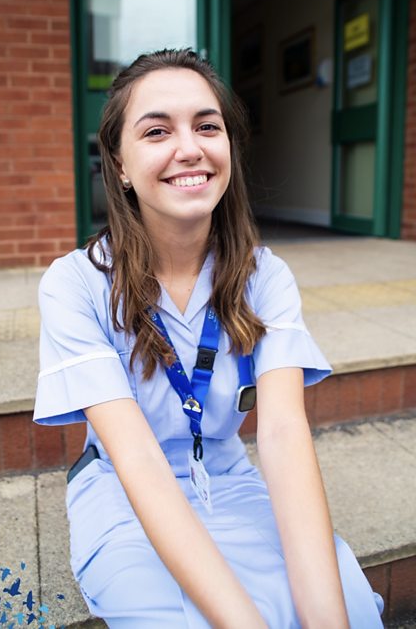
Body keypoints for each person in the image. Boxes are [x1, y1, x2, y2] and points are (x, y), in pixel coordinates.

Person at [34, 49, 383, 628]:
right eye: (156, 131)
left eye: (206, 126)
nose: (189, 148)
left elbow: (280, 432)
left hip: (231, 478)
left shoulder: (264, 276)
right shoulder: (74, 284)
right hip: (123, 493)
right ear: (118, 164)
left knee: (342, 607)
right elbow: (139, 459)